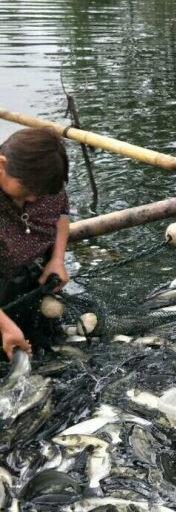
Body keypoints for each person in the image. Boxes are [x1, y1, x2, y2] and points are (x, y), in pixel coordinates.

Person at [0, 127, 70, 359]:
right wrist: (5, 326)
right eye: (27, 190)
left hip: (26, 283)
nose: (33, 198)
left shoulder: (44, 186)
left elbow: (61, 214)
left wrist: (57, 259)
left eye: (40, 193)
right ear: (2, 164)